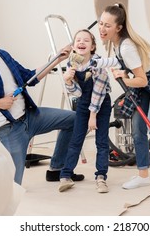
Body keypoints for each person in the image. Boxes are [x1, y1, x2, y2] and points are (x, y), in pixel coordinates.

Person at [0, 11, 84, 185]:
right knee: (12, 187)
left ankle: (56, 169)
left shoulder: (1, 54)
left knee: (74, 119)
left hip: (30, 117)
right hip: (9, 131)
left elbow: (29, 77)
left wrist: (57, 58)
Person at [98, 3, 150, 205]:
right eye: (101, 23)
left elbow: (142, 80)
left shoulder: (126, 46)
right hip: (145, 84)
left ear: (118, 27)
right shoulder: (116, 43)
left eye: (107, 26)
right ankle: (143, 176)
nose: (102, 29)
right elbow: (121, 65)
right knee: (137, 127)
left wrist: (123, 77)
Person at [58, 29, 112, 193]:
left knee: (101, 142)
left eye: (86, 40)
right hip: (83, 103)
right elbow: (77, 93)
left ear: (93, 46)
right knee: (76, 140)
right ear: (74, 46)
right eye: (78, 40)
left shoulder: (99, 64)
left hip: (101, 104)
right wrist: (68, 81)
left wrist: (93, 116)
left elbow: (98, 92)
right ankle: (65, 176)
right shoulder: (72, 63)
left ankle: (101, 177)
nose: (81, 42)